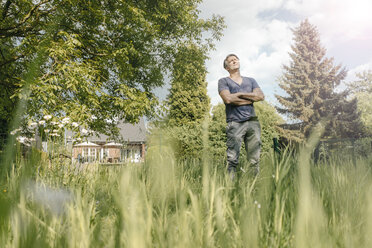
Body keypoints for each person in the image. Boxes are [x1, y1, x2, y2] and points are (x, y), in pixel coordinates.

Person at [218, 54, 265, 179]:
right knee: (232, 159)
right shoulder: (223, 81)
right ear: (226, 67)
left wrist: (239, 95)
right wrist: (251, 98)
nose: (234, 61)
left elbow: (260, 96)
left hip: (253, 122)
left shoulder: (251, 80)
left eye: (235, 59)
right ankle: (230, 189)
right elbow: (228, 99)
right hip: (235, 123)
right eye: (230, 60)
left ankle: (254, 188)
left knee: (255, 160)